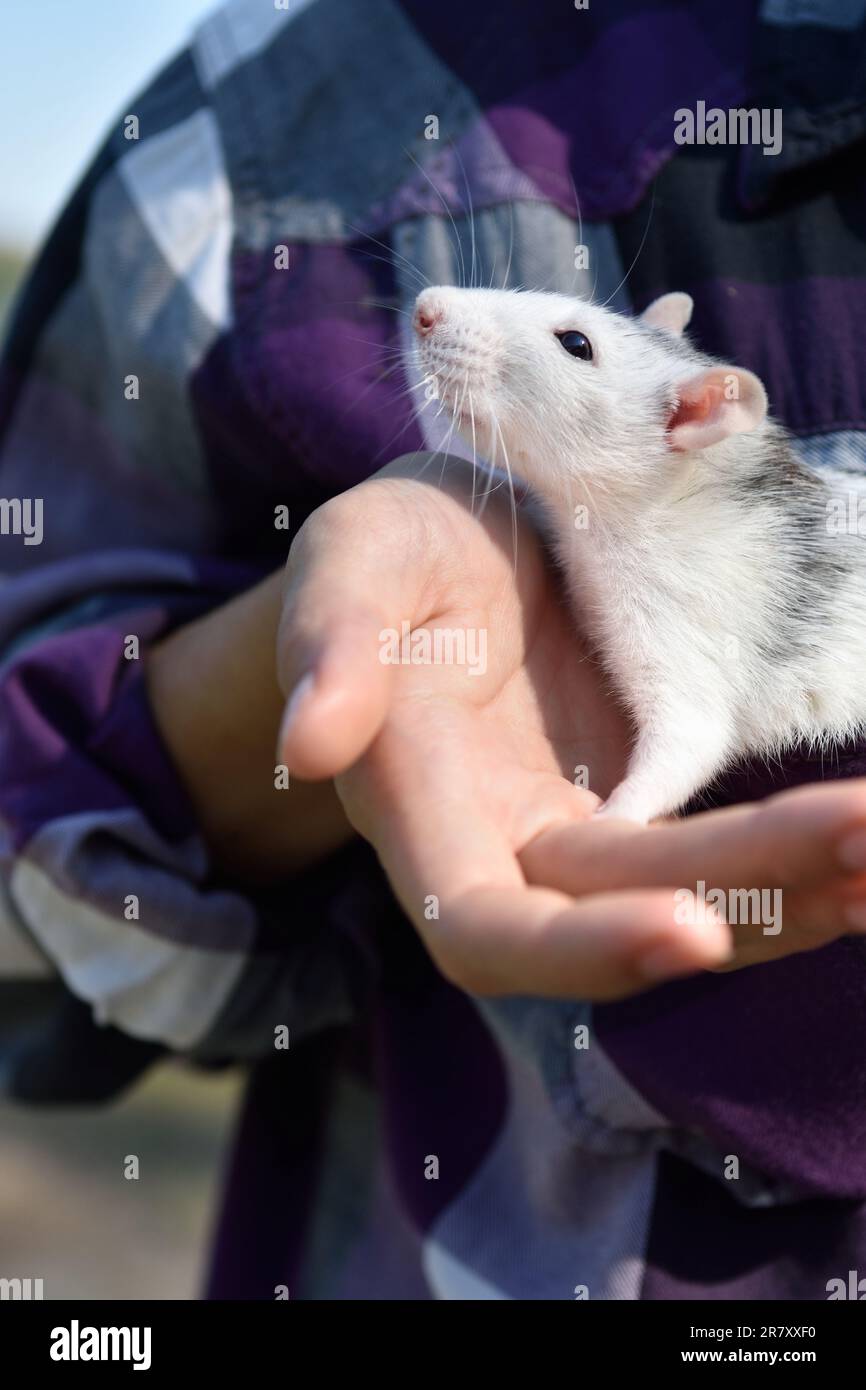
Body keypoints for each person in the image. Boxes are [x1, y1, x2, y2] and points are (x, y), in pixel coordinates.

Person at [3, 0, 866, 1299]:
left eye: (575, 340)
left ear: (688, 417)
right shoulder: (303, 95)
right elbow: (43, 877)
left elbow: (687, 713)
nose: (441, 310)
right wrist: (298, 666)